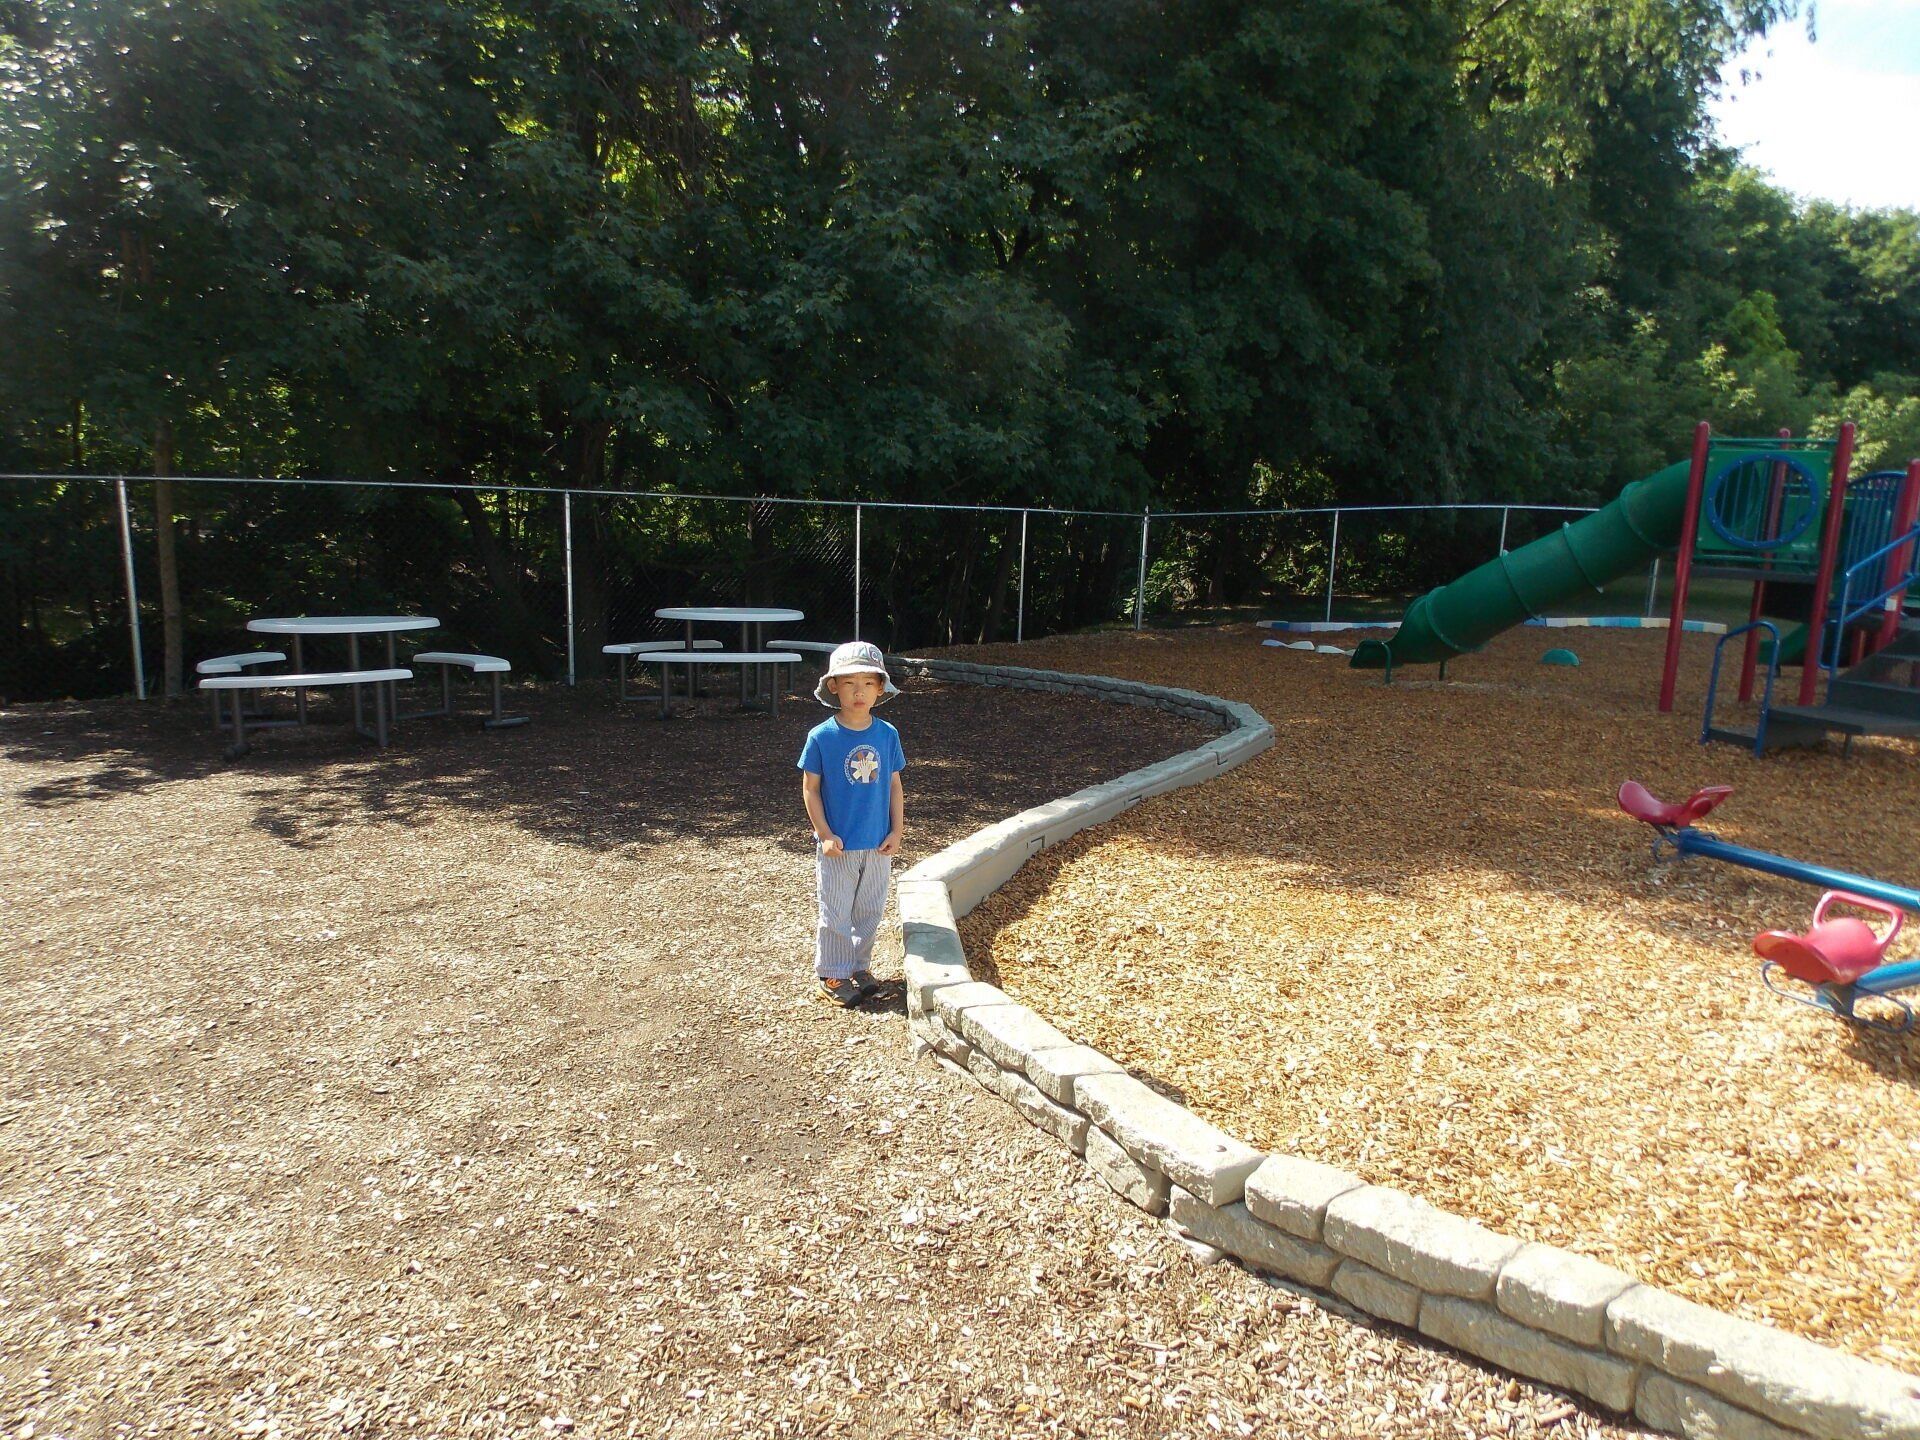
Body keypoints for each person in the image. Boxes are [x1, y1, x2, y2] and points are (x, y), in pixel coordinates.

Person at [797, 641, 906, 1006]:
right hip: (839, 844)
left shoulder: (887, 734)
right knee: (836, 911)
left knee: (870, 910)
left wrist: (896, 830)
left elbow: (893, 784)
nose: (858, 692)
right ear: (833, 687)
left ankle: (858, 966)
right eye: (848, 683)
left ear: (880, 688)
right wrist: (824, 835)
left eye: (867, 683)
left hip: (877, 844)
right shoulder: (822, 737)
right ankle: (832, 973)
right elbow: (811, 789)